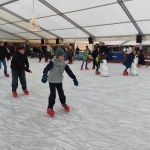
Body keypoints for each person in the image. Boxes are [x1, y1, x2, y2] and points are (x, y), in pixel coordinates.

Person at [41, 47, 79, 117]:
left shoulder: (63, 63)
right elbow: (46, 68)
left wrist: (74, 78)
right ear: (57, 55)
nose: (62, 57)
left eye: (63, 55)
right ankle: (50, 107)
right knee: (53, 95)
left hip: (59, 81)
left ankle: (63, 103)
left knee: (61, 94)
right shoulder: (53, 62)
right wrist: (45, 75)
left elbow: (69, 71)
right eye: (60, 55)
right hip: (52, 81)